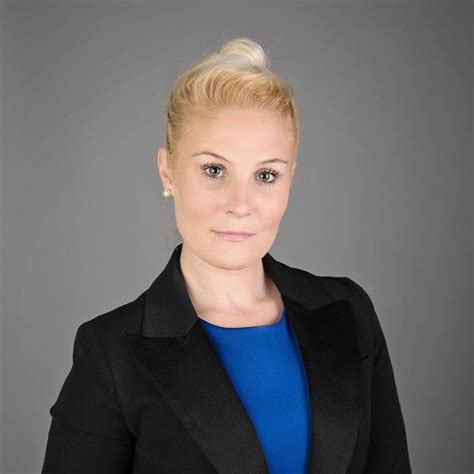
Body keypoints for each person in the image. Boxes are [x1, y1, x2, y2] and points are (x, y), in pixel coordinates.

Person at [41, 37, 412, 474]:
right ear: (167, 171)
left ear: (290, 179)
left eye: (266, 175)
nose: (241, 203)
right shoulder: (110, 353)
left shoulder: (349, 310)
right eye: (214, 170)